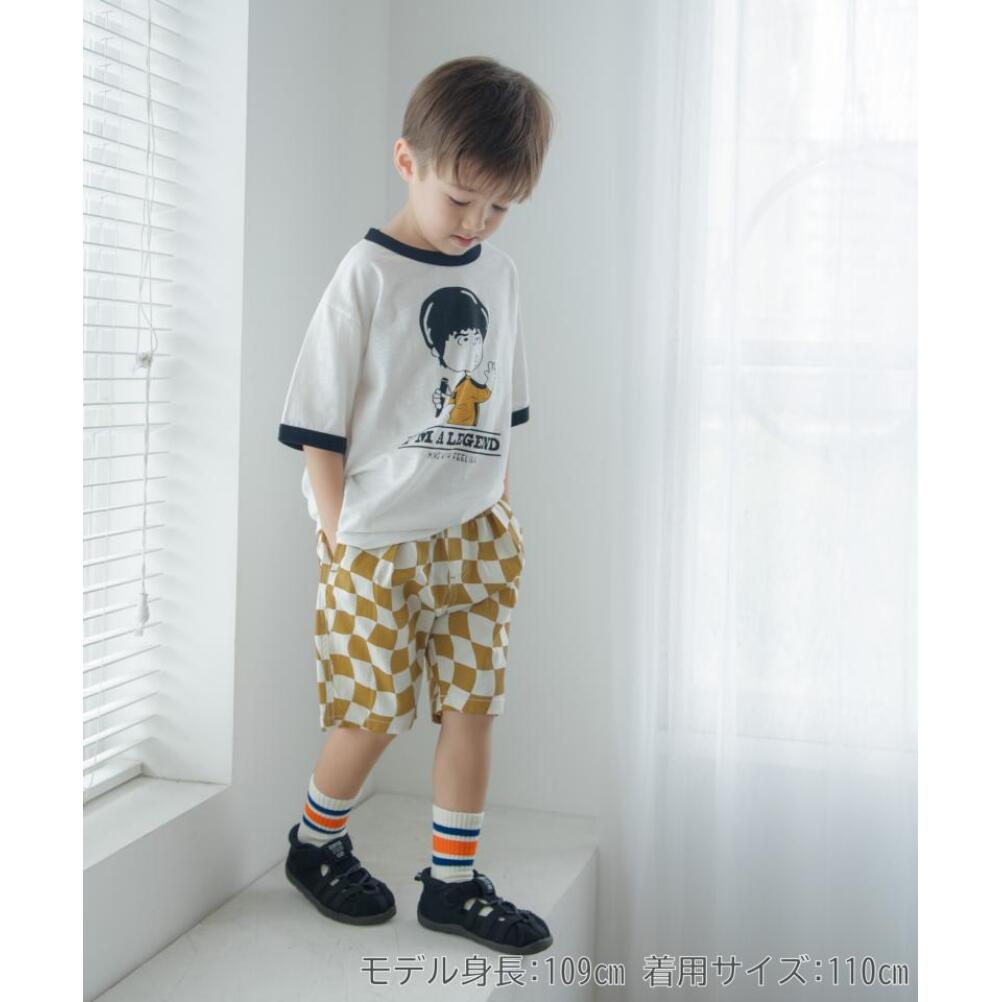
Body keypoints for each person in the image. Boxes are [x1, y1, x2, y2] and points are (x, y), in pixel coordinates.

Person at [276, 56, 555, 955]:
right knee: (371, 713)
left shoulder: (500, 276)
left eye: (499, 208)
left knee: (473, 708)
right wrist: (338, 534)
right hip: (376, 541)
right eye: (461, 199)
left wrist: (499, 510)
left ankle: (453, 883)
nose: (476, 222)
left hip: (477, 538)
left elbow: (502, 415)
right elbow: (318, 422)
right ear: (408, 161)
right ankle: (315, 842)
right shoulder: (367, 274)